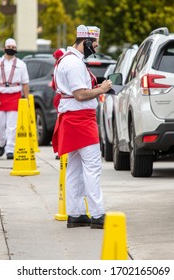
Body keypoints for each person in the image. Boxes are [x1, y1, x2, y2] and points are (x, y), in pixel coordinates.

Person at [52, 25, 113, 229]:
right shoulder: (75, 64)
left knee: (75, 169)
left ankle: (76, 213)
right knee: (92, 168)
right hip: (81, 120)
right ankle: (97, 214)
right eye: (94, 44)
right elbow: (80, 94)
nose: (96, 47)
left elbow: (76, 91)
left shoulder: (68, 60)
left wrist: (95, 89)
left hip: (71, 119)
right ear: (85, 42)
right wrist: (102, 89)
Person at [0, 38, 29, 160]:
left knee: (12, 125)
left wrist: (26, 99)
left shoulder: (21, 65)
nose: (11, 49)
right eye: (9, 46)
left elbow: (25, 83)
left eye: (13, 47)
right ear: (4, 48)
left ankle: (10, 149)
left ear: (16, 49)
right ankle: (1, 143)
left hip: (14, 95)